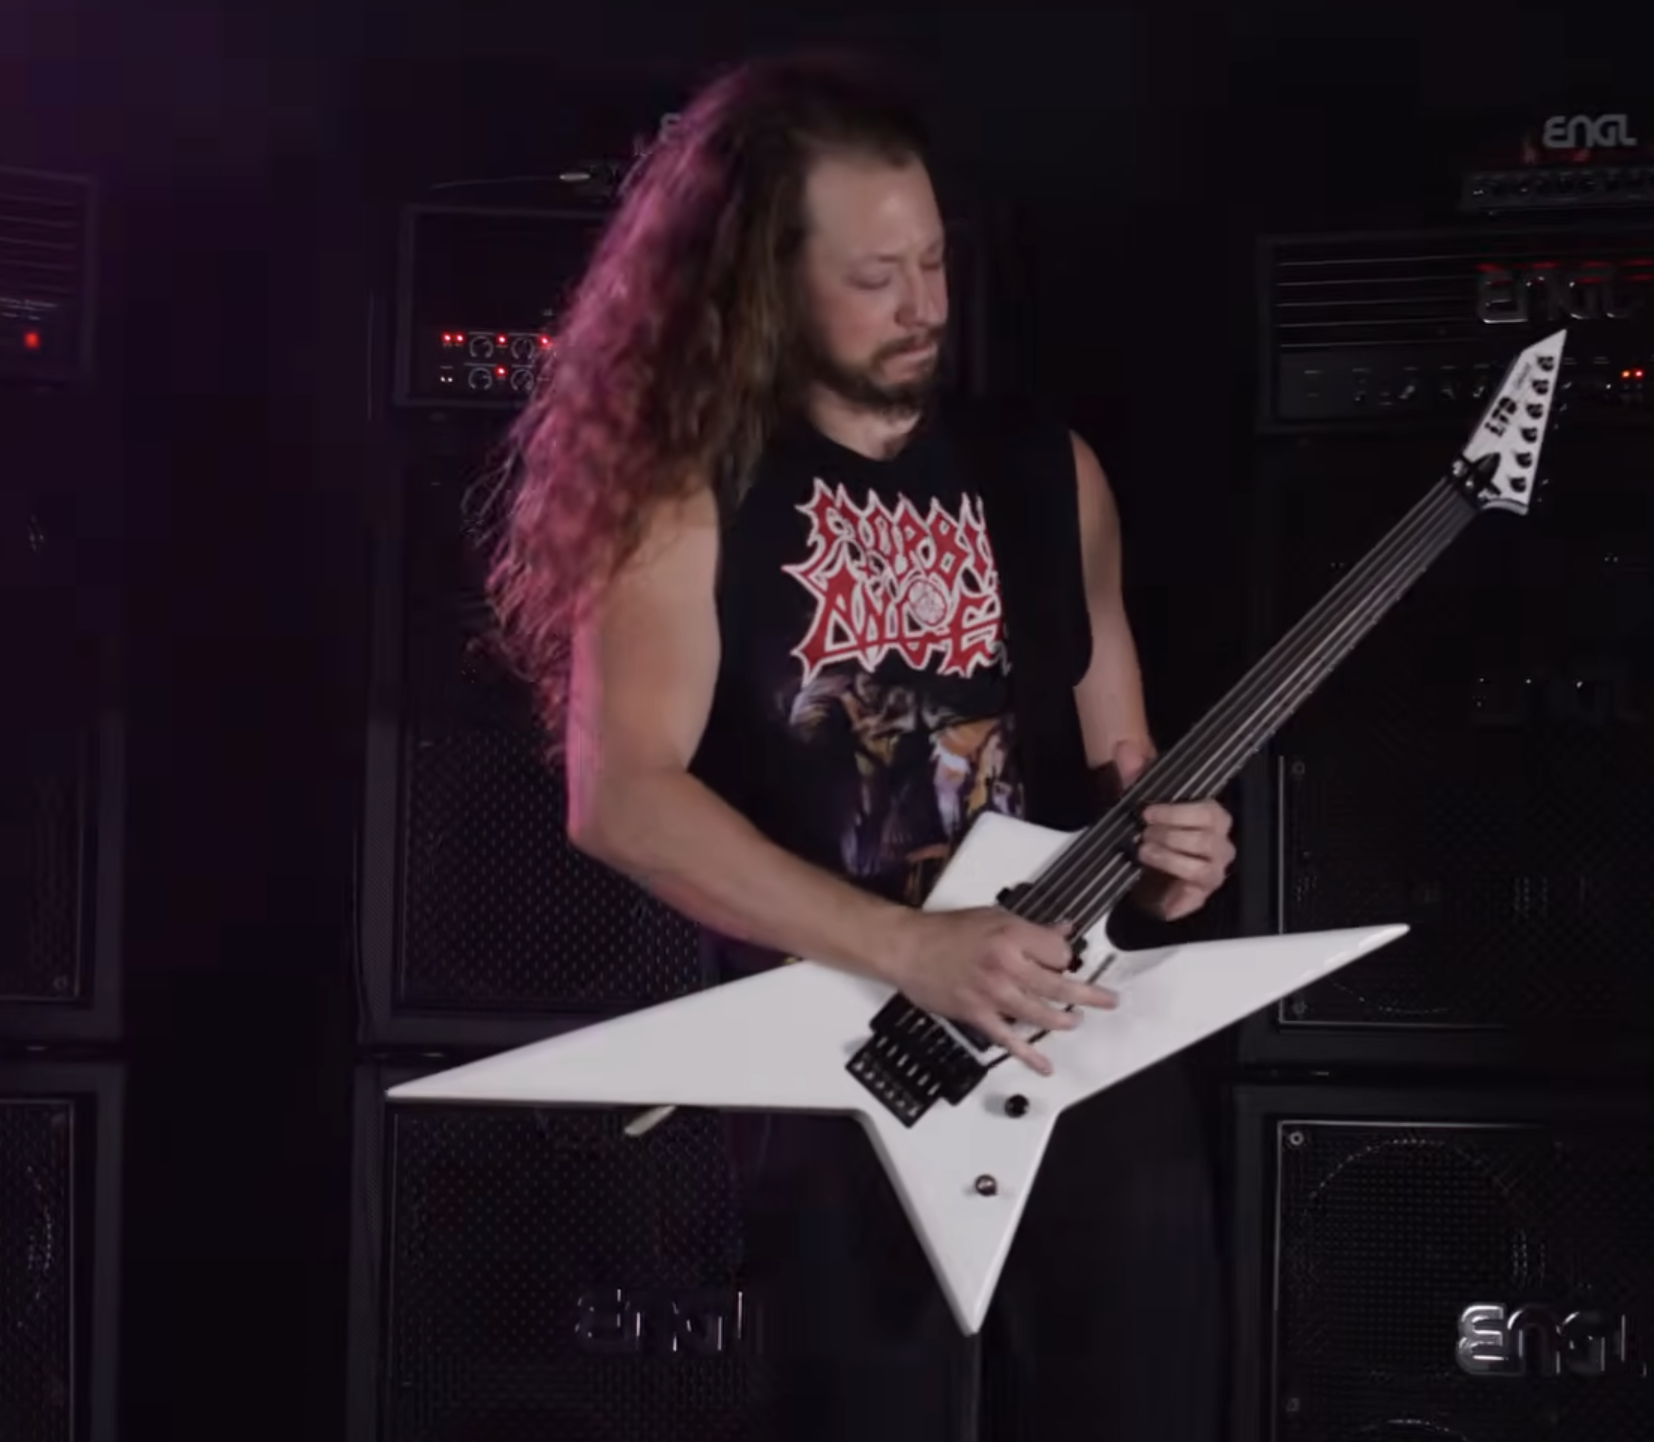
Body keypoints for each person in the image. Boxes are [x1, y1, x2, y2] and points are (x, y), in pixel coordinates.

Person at [484, 51, 1237, 1441]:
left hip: (1083, 1063)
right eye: (875, 276)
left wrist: (1172, 853)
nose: (925, 308)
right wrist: (909, 949)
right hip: (847, 1076)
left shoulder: (1047, 470)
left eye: (936, 261)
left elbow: (1122, 762)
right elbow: (622, 797)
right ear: (764, 283)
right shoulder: (688, 489)